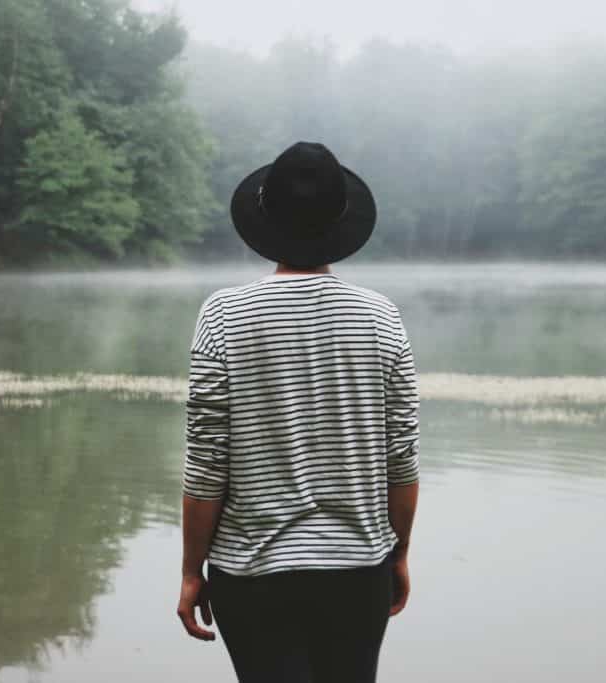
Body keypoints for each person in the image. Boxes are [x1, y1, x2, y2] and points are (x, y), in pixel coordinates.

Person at [176, 141, 420, 683]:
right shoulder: (380, 317)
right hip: (358, 571)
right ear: (342, 222)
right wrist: (399, 554)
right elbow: (400, 456)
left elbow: (207, 462)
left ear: (265, 221)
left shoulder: (223, 316)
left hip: (253, 573)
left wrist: (192, 570)